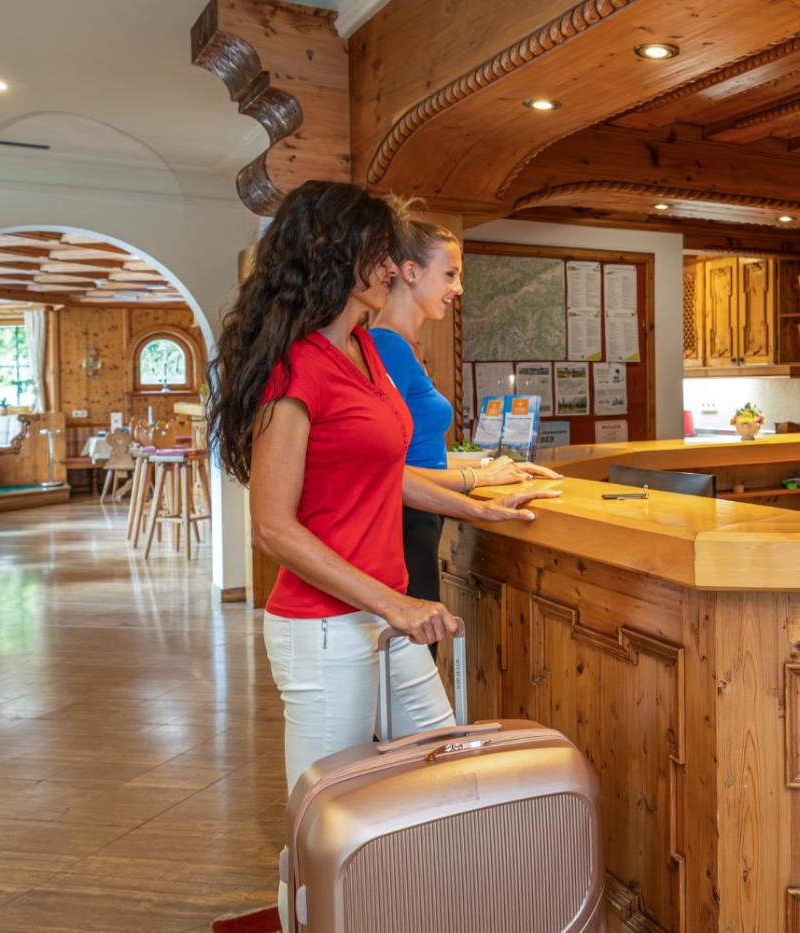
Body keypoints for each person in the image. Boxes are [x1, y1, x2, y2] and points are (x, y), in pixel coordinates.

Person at [205, 180, 561, 931]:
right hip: (325, 628)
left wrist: (474, 505)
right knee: (324, 825)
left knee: (443, 783)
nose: (392, 266)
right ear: (336, 257)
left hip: (384, 619)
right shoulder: (294, 367)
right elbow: (272, 526)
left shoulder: (365, 348)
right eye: (378, 252)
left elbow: (383, 471)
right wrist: (393, 603)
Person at [368, 208, 560, 661]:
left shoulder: (404, 346)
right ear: (410, 272)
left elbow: (420, 452)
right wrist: (477, 480)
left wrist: (489, 466)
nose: (458, 288)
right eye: (450, 274)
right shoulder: (386, 346)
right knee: (413, 662)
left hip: (422, 520)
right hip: (405, 524)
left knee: (418, 662)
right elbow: (389, 470)